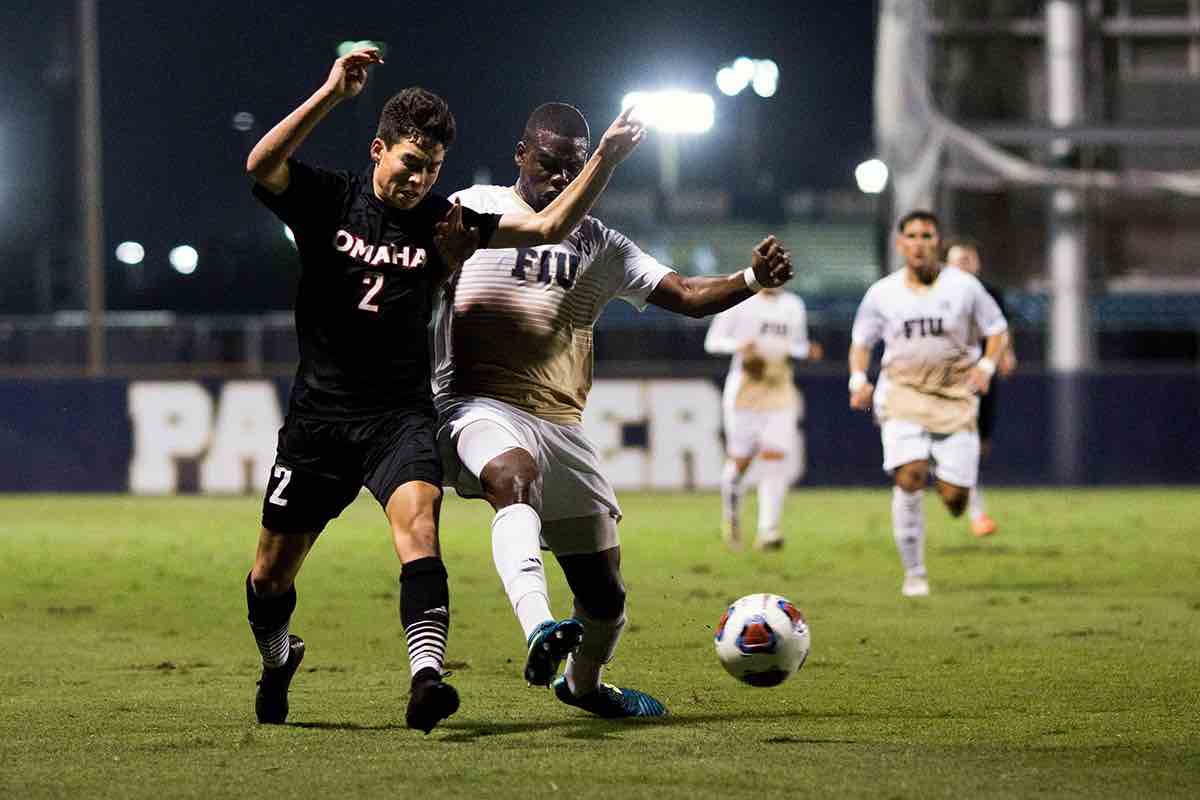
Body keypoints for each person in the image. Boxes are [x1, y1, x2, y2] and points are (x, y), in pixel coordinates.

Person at [243, 49, 646, 733]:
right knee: (270, 576)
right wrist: (331, 94)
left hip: (400, 417)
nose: (417, 178)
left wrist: (604, 158)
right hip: (318, 419)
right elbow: (260, 167)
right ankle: (280, 658)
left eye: (430, 168)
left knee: (420, 530)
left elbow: (549, 227)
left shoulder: (445, 222)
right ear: (379, 150)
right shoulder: (327, 199)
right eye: (408, 162)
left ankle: (425, 680)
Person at [433, 102, 794, 718]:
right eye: (549, 164)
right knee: (511, 477)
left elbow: (685, 294)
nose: (561, 178)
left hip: (560, 423)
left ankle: (582, 685)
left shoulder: (602, 244)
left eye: (574, 168)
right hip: (474, 403)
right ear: (521, 154)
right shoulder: (479, 205)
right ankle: (538, 626)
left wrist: (751, 279)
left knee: (604, 596)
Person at [847, 211, 1009, 597]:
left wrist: (987, 365)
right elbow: (861, 342)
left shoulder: (965, 287)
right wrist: (858, 379)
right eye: (912, 236)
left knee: (955, 501)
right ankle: (914, 574)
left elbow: (998, 329)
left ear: (937, 242)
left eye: (927, 235)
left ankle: (947, 475)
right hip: (903, 393)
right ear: (900, 244)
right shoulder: (882, 293)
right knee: (909, 475)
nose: (919, 242)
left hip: (955, 398)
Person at [703, 287, 823, 551]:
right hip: (745, 389)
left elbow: (797, 344)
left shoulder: (793, 304)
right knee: (740, 461)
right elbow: (713, 342)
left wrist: (806, 352)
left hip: (779, 387)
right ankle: (731, 518)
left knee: (775, 457)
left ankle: (768, 530)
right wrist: (740, 347)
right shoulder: (739, 300)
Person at [944, 238, 1017, 537]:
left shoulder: (989, 293)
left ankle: (957, 485)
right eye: (958, 259)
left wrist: (1006, 354)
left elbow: (999, 329)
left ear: (977, 263)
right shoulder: (937, 292)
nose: (964, 264)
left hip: (980, 376)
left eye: (968, 259)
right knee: (960, 441)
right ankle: (976, 512)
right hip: (944, 379)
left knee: (977, 446)